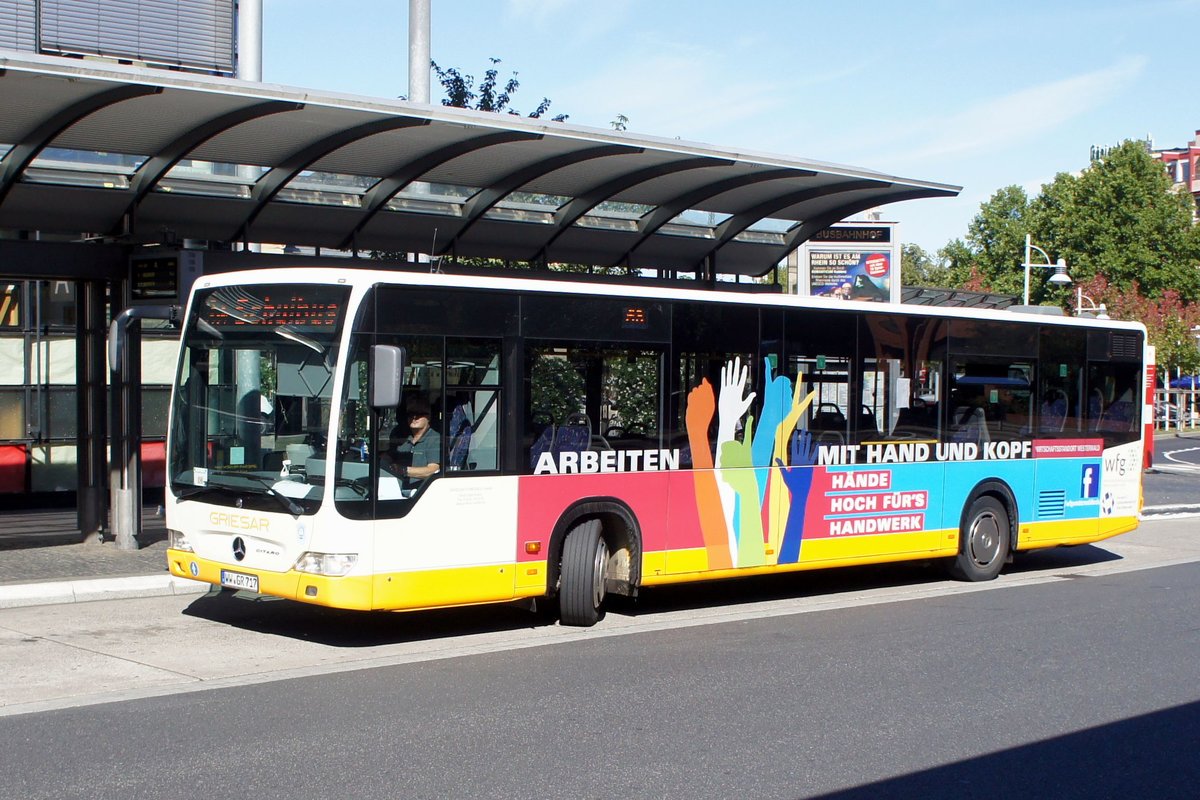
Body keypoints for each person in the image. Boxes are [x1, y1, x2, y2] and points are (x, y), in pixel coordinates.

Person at [381, 396, 441, 490]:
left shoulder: (434, 438)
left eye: (419, 414)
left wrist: (404, 470)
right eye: (410, 413)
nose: (414, 417)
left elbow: (433, 470)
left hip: (421, 492)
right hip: (396, 488)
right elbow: (388, 457)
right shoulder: (403, 437)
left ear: (429, 416)